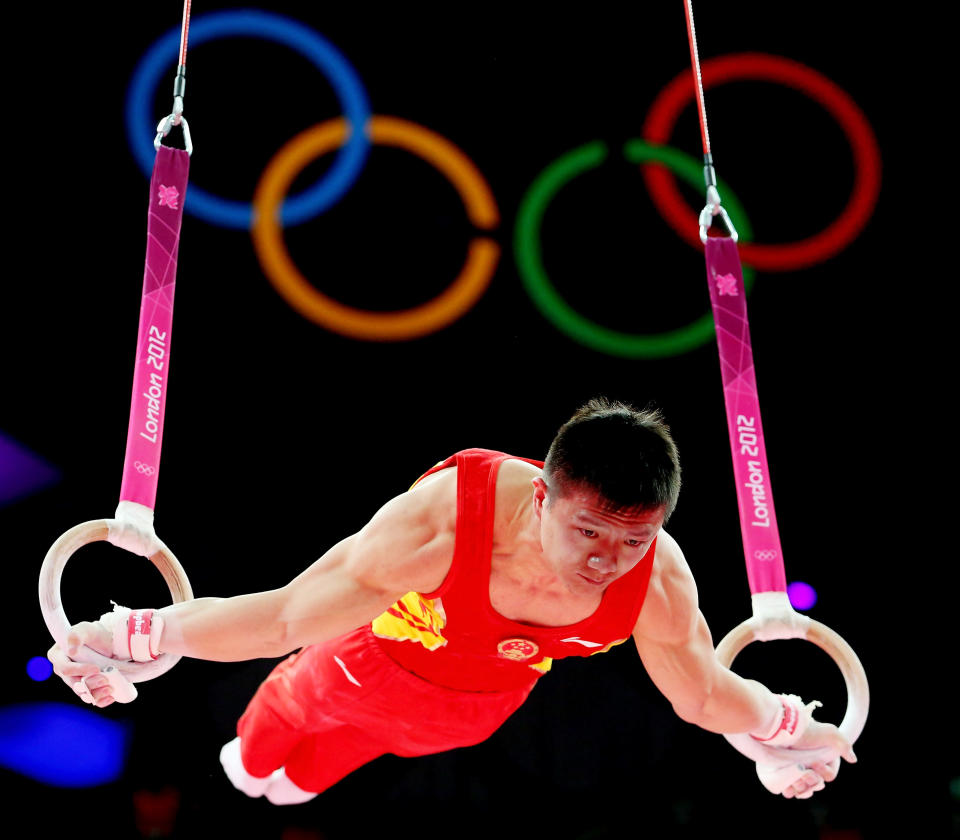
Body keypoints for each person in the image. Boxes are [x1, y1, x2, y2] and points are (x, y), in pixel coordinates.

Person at [48, 398, 856, 805]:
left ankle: (284, 781)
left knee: (316, 777)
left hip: (471, 716)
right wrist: (137, 633)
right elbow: (288, 618)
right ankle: (251, 761)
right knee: (258, 760)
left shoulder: (660, 578)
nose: (609, 561)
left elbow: (704, 693)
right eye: (590, 532)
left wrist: (785, 725)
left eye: (635, 539)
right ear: (543, 497)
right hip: (359, 664)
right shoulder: (446, 521)